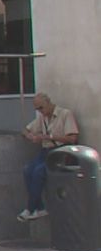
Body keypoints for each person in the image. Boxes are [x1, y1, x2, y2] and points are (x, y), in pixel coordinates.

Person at [19, 93, 79, 222]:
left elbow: (73, 138)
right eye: (37, 109)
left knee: (39, 172)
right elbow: (25, 129)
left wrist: (49, 137)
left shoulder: (65, 114)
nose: (40, 111)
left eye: (41, 108)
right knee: (28, 170)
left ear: (48, 103)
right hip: (45, 151)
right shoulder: (42, 118)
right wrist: (30, 136)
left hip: (60, 151)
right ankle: (39, 207)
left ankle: (30, 208)